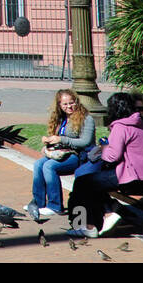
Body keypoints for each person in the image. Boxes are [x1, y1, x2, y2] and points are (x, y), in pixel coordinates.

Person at [67, 92, 143, 238]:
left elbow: (111, 156)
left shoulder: (121, 127)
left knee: (82, 182)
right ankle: (106, 214)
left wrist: (104, 147)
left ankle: (87, 225)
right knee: (93, 185)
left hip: (129, 176)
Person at [25, 89, 94, 218]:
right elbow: (58, 139)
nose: (69, 107)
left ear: (76, 102)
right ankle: (38, 203)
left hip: (79, 156)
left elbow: (86, 142)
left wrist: (62, 139)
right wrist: (48, 143)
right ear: (59, 106)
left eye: (72, 103)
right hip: (62, 153)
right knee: (39, 164)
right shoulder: (61, 118)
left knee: (49, 166)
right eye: (65, 104)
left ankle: (55, 205)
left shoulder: (86, 118)